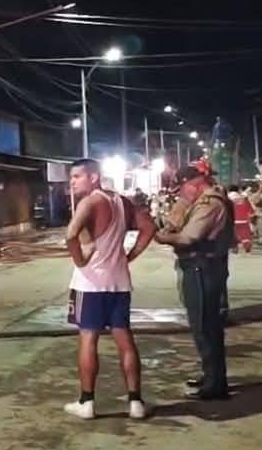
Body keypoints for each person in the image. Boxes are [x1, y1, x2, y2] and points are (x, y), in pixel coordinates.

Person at [63, 159, 156, 420]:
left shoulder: (91, 201)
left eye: (77, 176)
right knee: (125, 341)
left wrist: (80, 260)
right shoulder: (123, 201)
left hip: (90, 284)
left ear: (94, 177)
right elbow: (149, 228)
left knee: (88, 340)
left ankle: (87, 402)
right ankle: (136, 402)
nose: (72, 181)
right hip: (119, 283)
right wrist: (130, 256)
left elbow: (71, 234)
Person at [155, 165, 234, 400]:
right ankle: (211, 374)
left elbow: (189, 237)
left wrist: (160, 238)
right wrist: (180, 207)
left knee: (205, 326)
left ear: (195, 183)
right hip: (201, 266)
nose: (182, 194)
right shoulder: (200, 202)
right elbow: (175, 223)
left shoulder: (210, 203)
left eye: (183, 189)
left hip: (203, 268)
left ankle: (215, 383)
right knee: (205, 325)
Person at [227, 186, 254, 254]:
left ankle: (234, 248)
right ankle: (247, 246)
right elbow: (250, 208)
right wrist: (251, 214)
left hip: (233, 220)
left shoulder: (227, 199)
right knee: (245, 235)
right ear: (238, 190)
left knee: (233, 235)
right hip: (244, 220)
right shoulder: (243, 198)